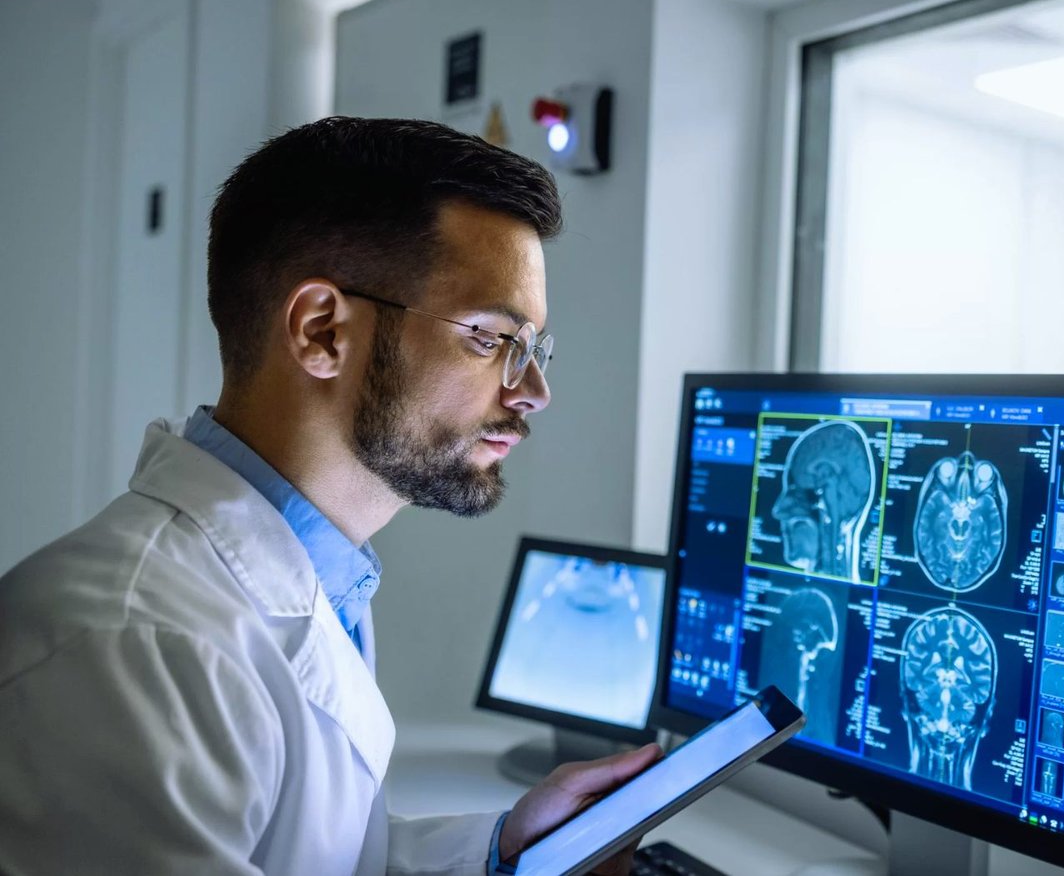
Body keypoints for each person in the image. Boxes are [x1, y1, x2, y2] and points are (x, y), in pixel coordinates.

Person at [0, 117, 661, 874]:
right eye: (490, 339)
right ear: (321, 331)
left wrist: (500, 850)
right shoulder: (127, 647)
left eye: (534, 349)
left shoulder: (318, 578)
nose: (535, 390)